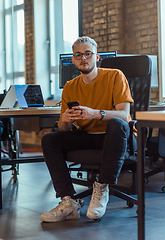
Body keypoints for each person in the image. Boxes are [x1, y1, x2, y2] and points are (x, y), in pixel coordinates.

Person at [40, 36, 136, 222]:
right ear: (73, 60)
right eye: (78, 55)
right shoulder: (70, 86)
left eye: (88, 54)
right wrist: (65, 120)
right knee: (49, 139)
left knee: (117, 123)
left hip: (117, 137)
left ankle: (101, 186)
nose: (83, 58)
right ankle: (68, 201)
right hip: (88, 136)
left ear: (97, 57)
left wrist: (95, 114)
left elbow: (124, 116)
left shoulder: (115, 75)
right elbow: (64, 130)